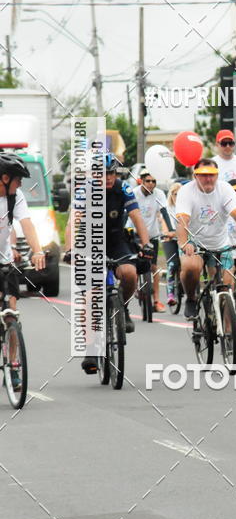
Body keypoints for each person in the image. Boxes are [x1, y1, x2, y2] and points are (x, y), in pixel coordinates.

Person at [65, 153, 153, 374]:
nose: (108, 177)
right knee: (90, 296)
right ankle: (90, 350)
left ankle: (122, 307)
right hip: (90, 242)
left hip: (116, 240)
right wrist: (70, 250)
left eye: (111, 173)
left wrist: (146, 244)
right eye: (102, 174)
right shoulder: (85, 190)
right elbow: (73, 222)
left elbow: (137, 217)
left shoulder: (123, 188)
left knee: (130, 273)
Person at [175, 159, 236, 319]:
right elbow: (182, 221)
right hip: (194, 243)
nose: (208, 179)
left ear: (217, 175)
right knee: (190, 267)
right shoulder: (186, 191)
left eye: (212, 175)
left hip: (220, 244)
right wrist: (184, 243)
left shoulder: (225, 189)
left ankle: (227, 329)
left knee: (226, 287)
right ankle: (191, 298)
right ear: (195, 176)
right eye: (203, 175)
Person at [0, 153, 46, 390]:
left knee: (11, 314)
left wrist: (37, 251)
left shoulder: (15, 197)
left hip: (5, 262)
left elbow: (27, 224)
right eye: (18, 180)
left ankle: (13, 367)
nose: (20, 185)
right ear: (5, 178)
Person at [133, 170, 169, 312]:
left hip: (152, 235)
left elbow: (164, 212)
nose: (151, 184)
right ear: (141, 181)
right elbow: (126, 213)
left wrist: (170, 229)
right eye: (148, 181)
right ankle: (135, 288)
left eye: (154, 181)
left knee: (153, 267)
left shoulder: (159, 194)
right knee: (135, 264)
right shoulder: (134, 193)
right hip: (135, 233)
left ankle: (156, 301)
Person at [162, 182, 181, 307]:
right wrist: (167, 233)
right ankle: (170, 294)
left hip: (184, 240)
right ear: (171, 195)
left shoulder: (188, 207)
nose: (177, 197)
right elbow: (164, 225)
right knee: (172, 264)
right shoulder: (167, 209)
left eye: (180, 194)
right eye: (175, 194)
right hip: (170, 240)